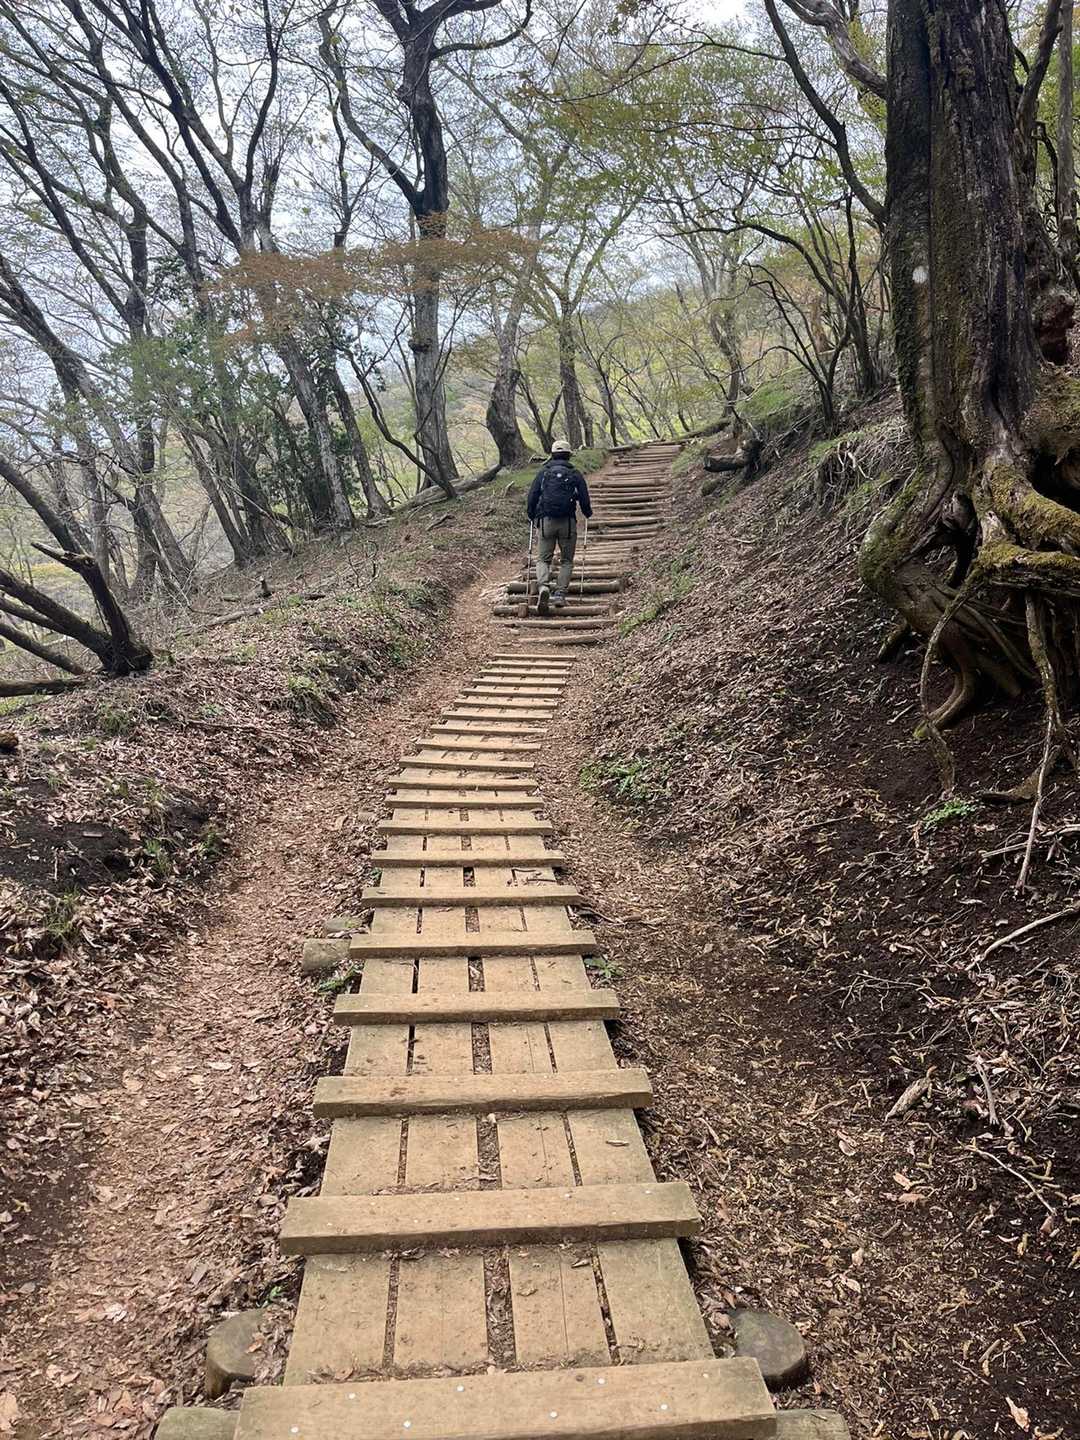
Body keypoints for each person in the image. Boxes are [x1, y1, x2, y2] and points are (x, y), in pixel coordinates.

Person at [525, 440, 592, 614]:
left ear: (552, 454)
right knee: (567, 560)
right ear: (569, 455)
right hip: (567, 523)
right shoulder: (574, 473)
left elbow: (532, 496)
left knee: (543, 559)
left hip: (546, 521)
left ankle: (543, 587)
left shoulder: (543, 473)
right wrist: (587, 513)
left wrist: (531, 514)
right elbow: (584, 499)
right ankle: (560, 594)